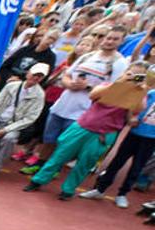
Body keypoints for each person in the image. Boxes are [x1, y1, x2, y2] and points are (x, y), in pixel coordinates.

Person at [25, 61, 149, 200]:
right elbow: (93, 95)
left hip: (104, 134)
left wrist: (140, 89)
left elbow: (139, 109)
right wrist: (121, 83)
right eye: (131, 73)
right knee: (60, 155)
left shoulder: (139, 94)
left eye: (139, 75)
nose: (133, 77)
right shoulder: (108, 85)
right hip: (83, 126)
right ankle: (38, 180)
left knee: (85, 163)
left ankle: (68, 189)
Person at [80, 73, 155, 208]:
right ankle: (100, 189)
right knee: (117, 161)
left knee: (136, 167)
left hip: (151, 139)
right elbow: (133, 106)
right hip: (135, 133)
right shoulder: (150, 93)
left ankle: (122, 194)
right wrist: (131, 118)